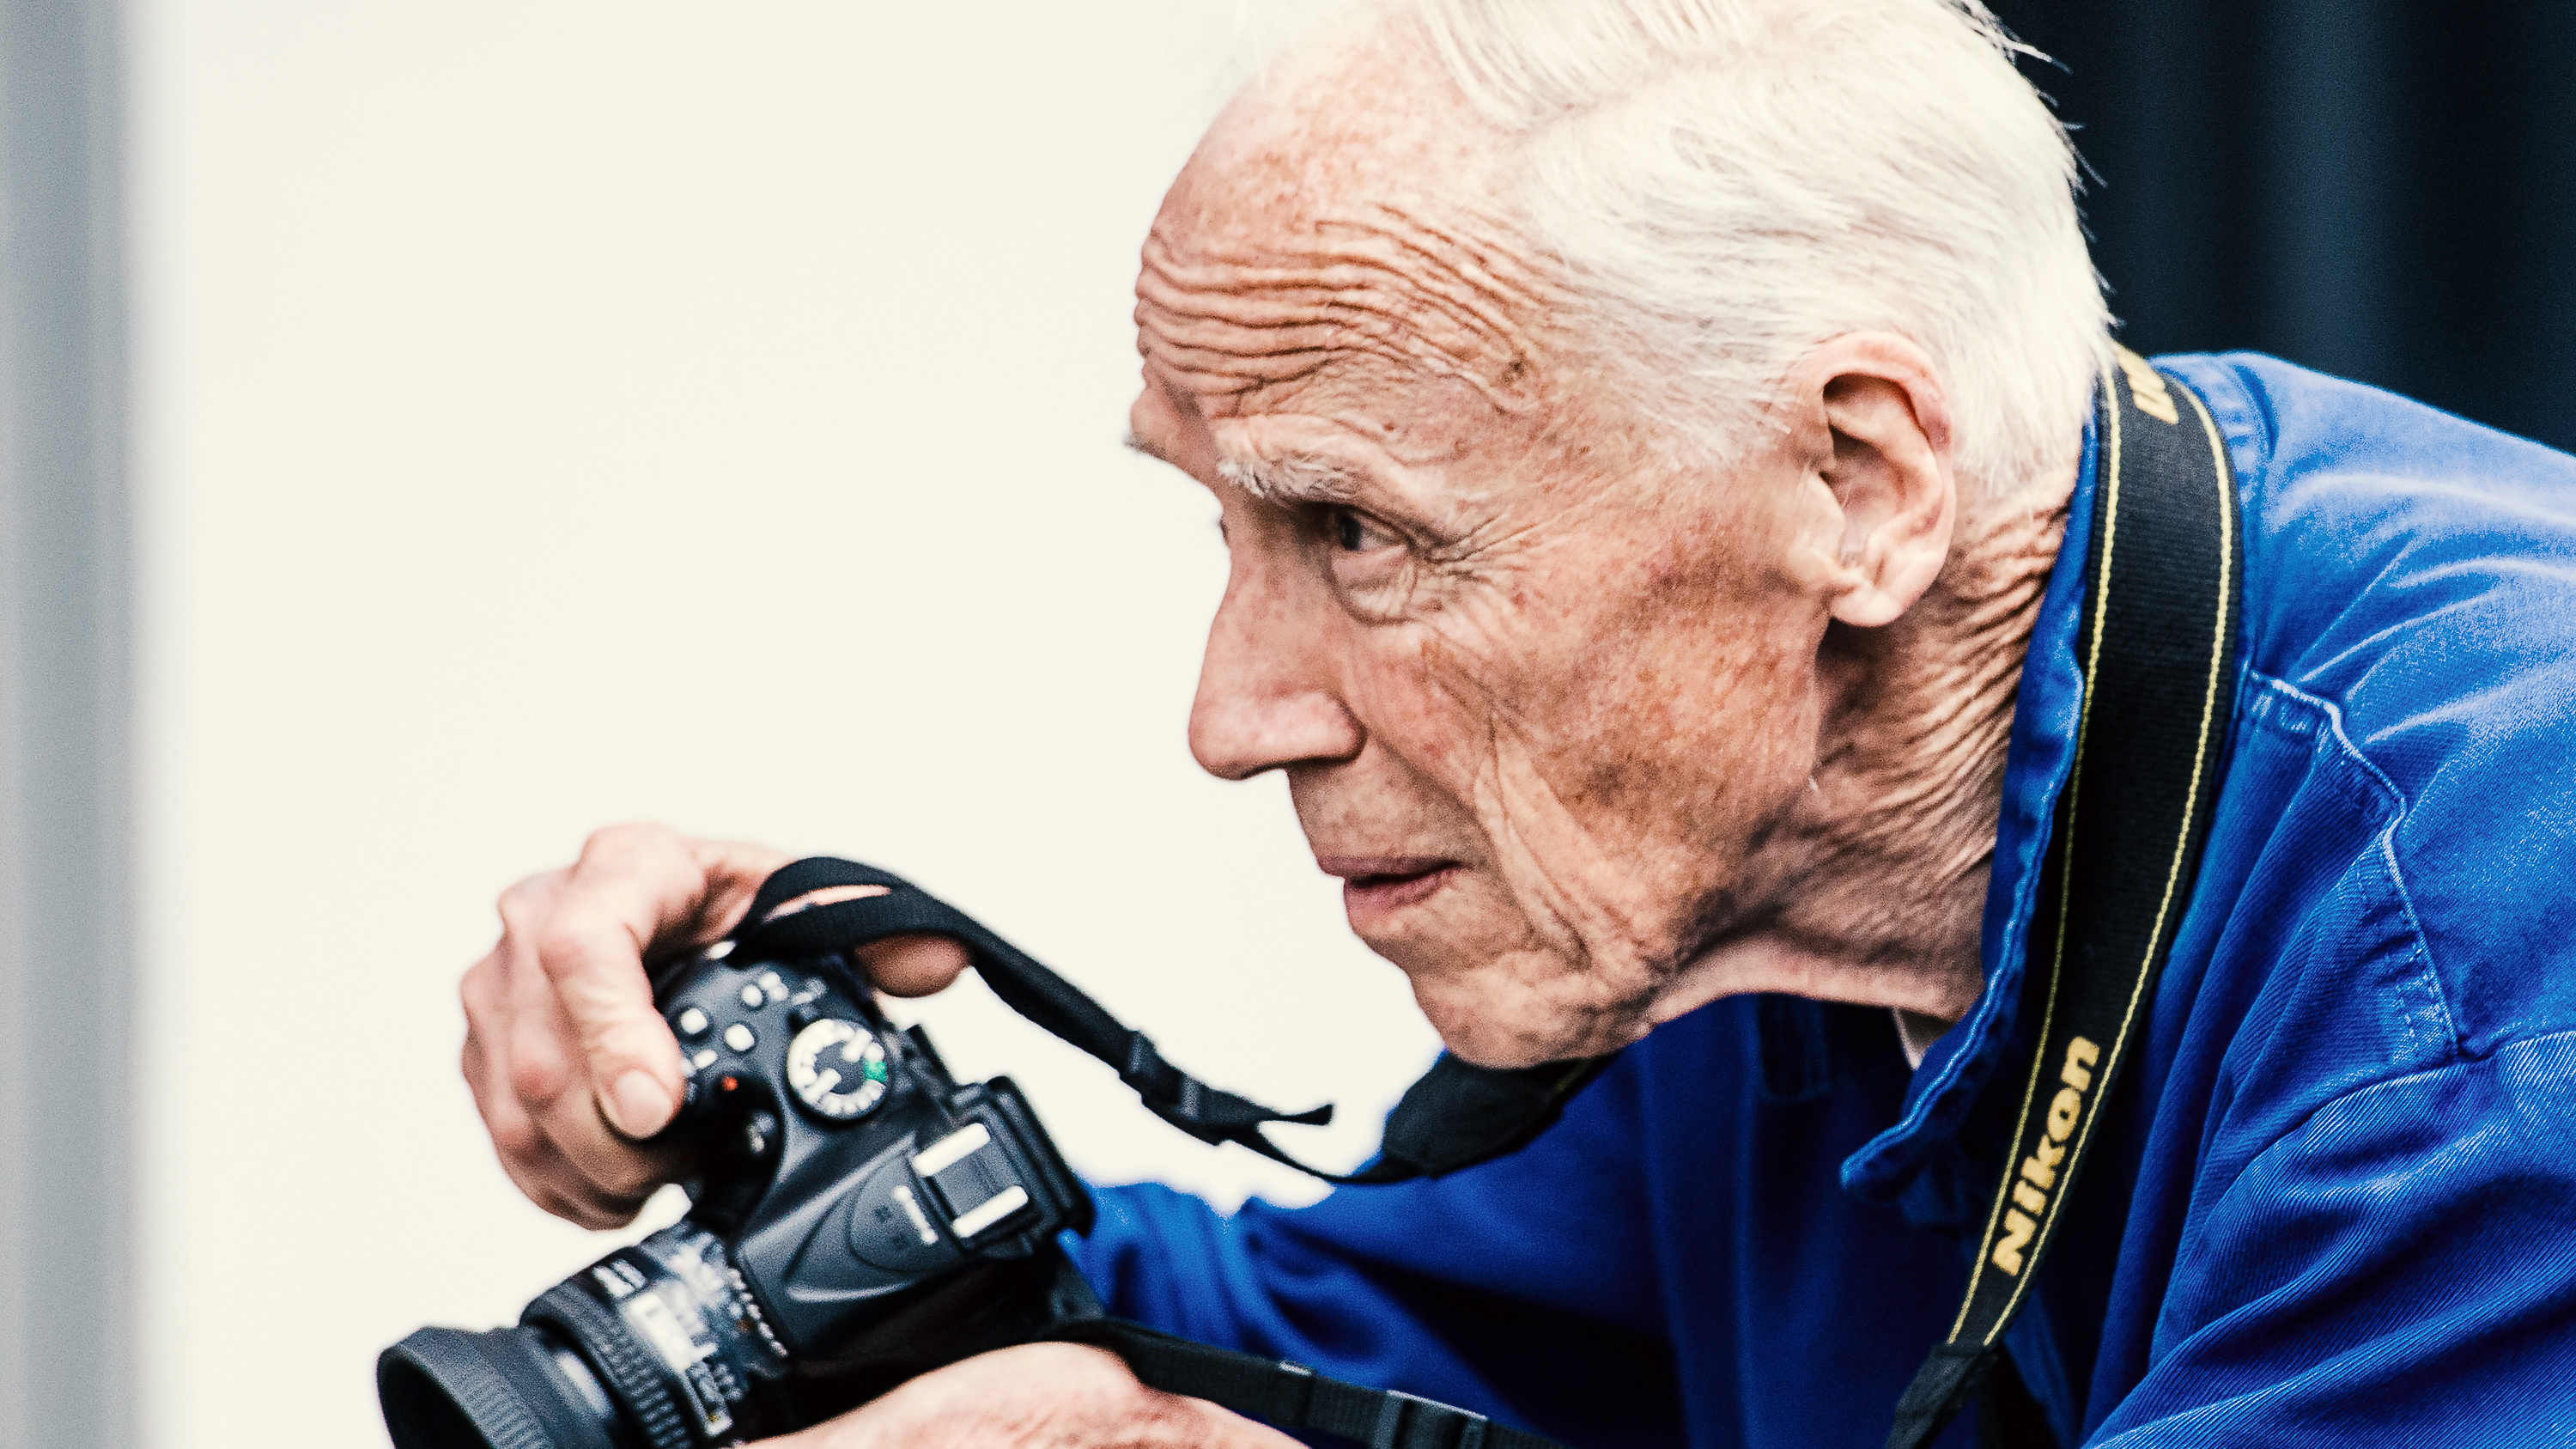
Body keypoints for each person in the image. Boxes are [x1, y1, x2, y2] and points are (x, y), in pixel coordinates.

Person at [455, 2, 2576, 1445]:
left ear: (1859, 486)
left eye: (1360, 532)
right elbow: (1412, 1343)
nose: (1232, 714)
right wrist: (827, 1158)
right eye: (1225, 528)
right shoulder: (1773, 847)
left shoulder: (2486, 965)